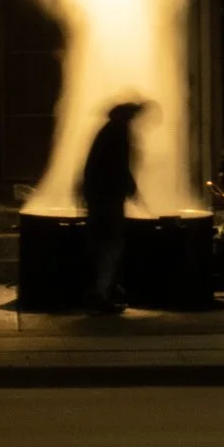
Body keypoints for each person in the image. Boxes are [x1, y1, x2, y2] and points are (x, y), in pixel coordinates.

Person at [78, 101, 144, 313]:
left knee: (100, 245)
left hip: (98, 198)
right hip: (107, 201)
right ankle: (101, 295)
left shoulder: (108, 131)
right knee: (110, 246)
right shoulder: (118, 132)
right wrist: (131, 188)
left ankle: (101, 290)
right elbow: (118, 167)